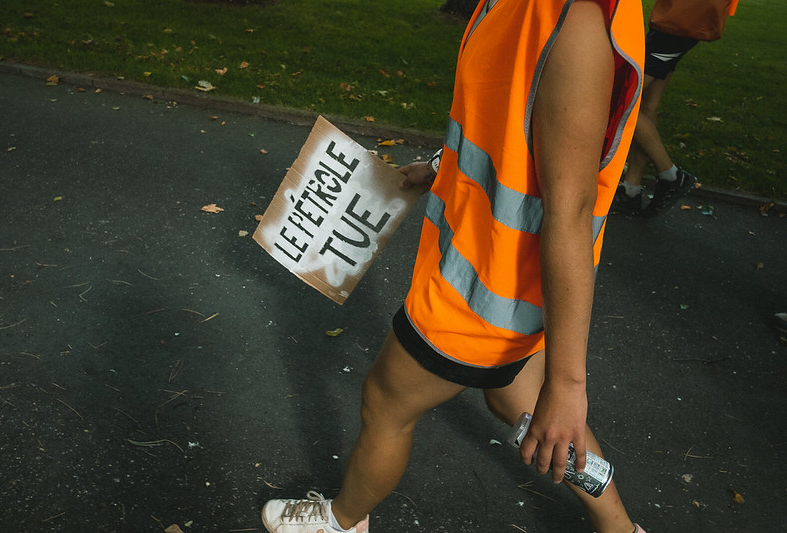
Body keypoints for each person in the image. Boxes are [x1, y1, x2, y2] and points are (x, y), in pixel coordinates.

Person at [261, 0, 647, 531]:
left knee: (385, 403)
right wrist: (443, 167)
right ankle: (621, 529)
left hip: (485, 295)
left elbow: (571, 210)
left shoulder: (575, 25)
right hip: (498, 279)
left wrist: (569, 384)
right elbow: (513, 123)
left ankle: (340, 522)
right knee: (522, 402)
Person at [613, 0, 739, 217]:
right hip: (679, 19)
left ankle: (670, 175)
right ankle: (630, 191)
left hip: (680, 20)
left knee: (623, 101)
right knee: (647, 104)